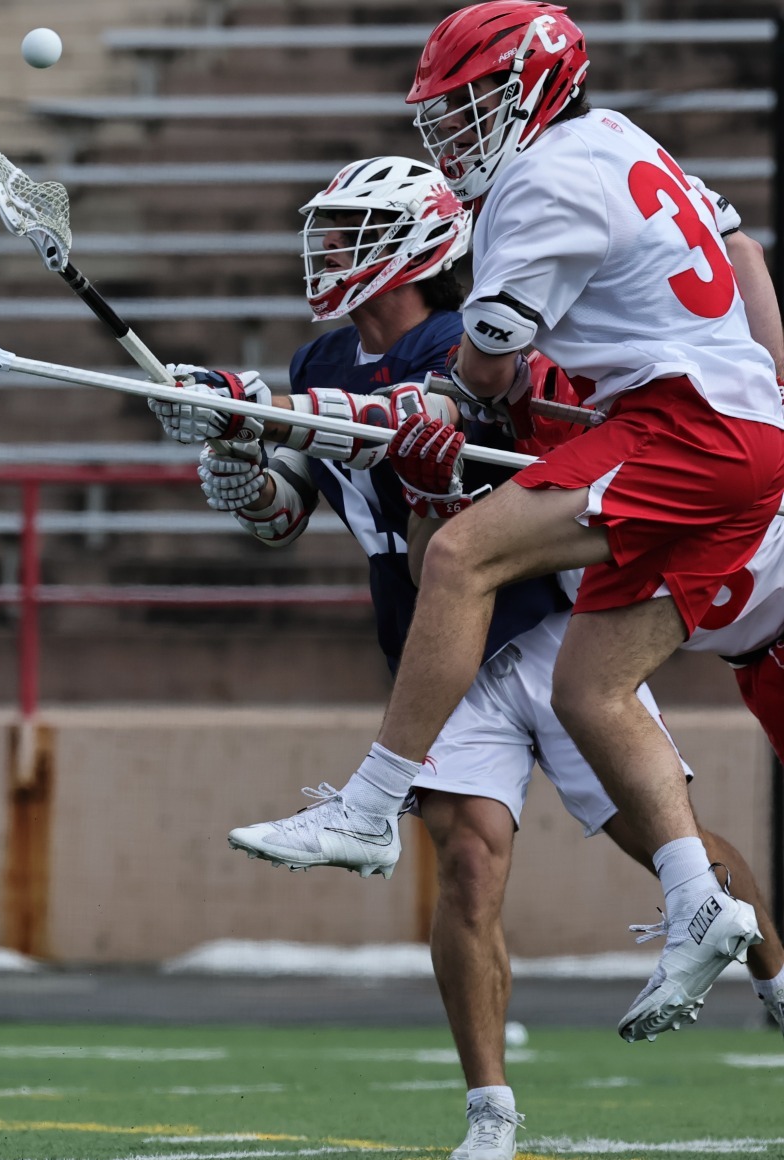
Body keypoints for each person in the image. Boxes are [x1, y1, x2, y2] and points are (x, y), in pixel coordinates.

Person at [152, 155, 784, 1160]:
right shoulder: (321, 359)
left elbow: (425, 417)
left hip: (542, 621)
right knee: (469, 864)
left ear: (409, 247)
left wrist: (252, 405)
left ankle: (770, 981)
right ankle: (487, 1105)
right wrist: (243, 466)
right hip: (434, 650)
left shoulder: (463, 338)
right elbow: (295, 506)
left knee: (670, 837)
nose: (327, 249)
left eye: (353, 231)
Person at [220, 1, 784, 1046]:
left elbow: (481, 369)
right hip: (718, 424)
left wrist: (438, 406)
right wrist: (765, 384)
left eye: (468, 101)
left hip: (682, 424)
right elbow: (739, 248)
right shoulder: (618, 140)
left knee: (459, 554)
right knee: (589, 686)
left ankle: (363, 806)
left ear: (529, 82)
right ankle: (698, 905)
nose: (449, 129)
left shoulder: (540, 179)